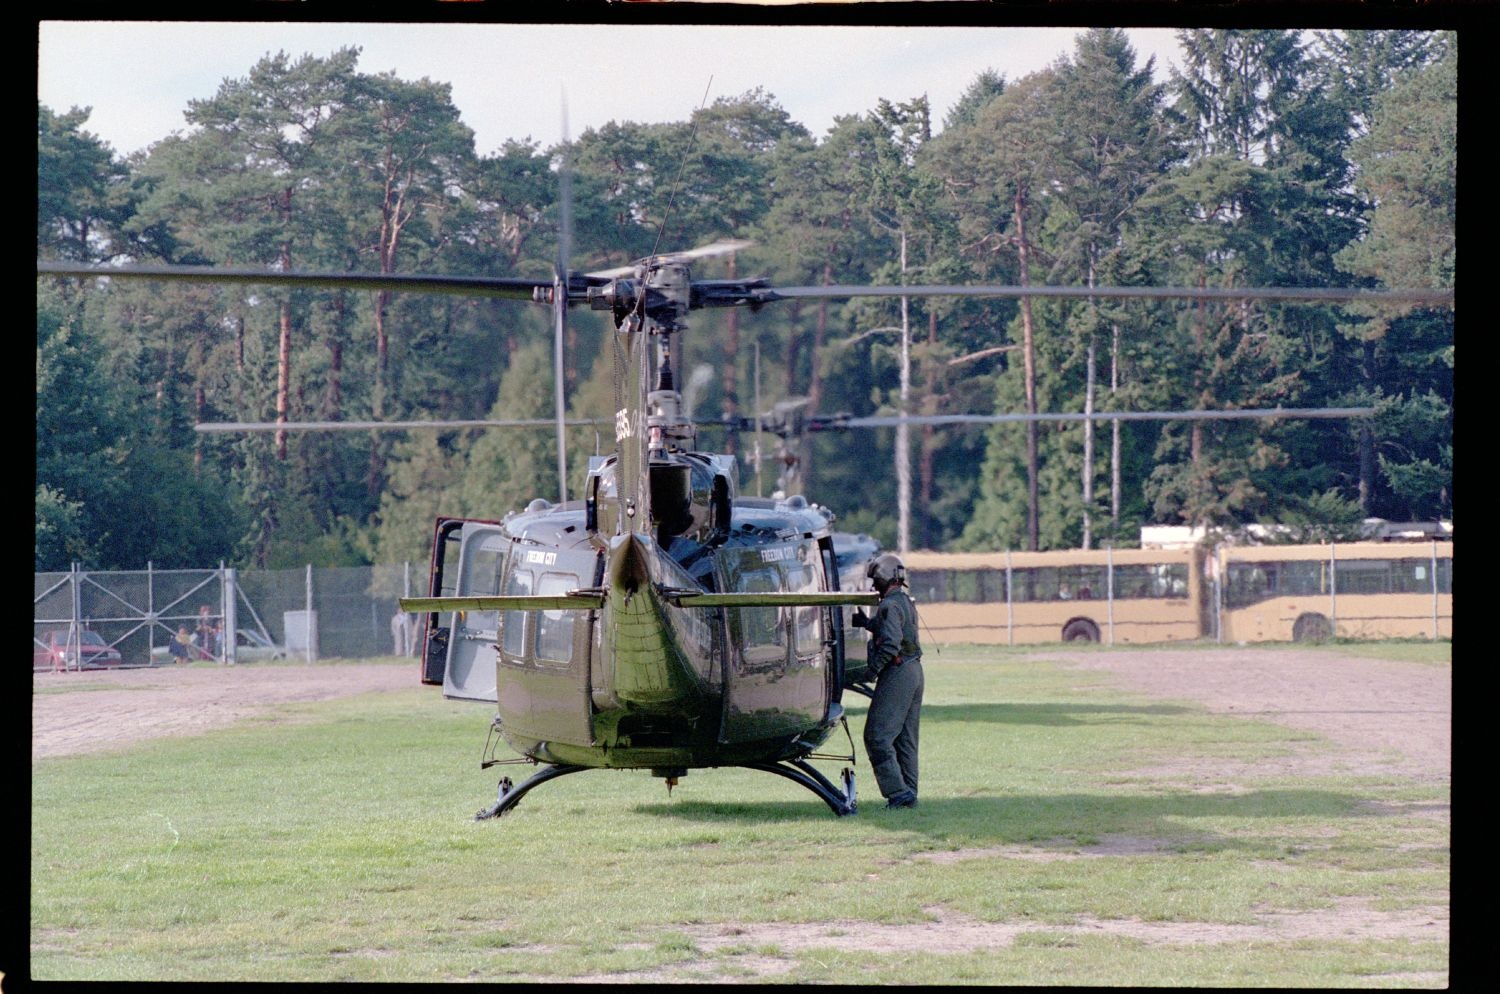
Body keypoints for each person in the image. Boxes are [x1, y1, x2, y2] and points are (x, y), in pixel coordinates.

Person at [850, 553, 924, 809]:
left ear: (885, 577)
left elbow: (891, 643)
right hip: (915, 671)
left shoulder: (888, 605)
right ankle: (908, 793)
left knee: (877, 736)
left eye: (876, 580)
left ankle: (897, 793)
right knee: (905, 738)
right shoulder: (904, 601)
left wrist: (871, 671)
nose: (873, 586)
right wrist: (868, 624)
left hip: (898, 672)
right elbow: (898, 631)